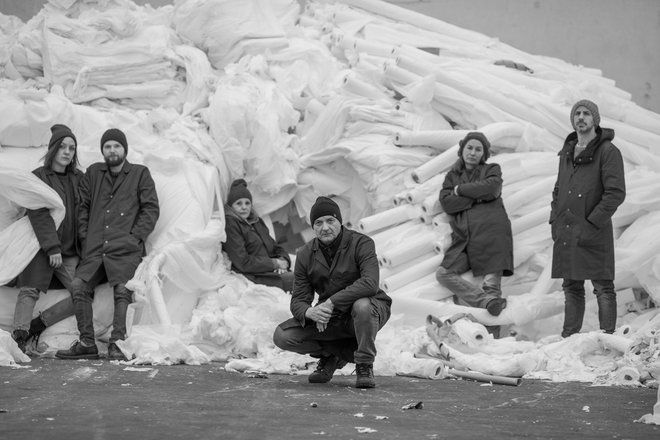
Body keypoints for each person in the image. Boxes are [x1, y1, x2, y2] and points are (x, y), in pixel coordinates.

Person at [55, 128, 159, 361]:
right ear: (103, 150)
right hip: (95, 247)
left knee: (122, 290)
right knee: (79, 286)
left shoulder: (140, 174)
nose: (112, 150)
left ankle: (117, 344)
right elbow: (82, 208)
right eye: (107, 147)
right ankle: (87, 343)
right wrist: (85, 238)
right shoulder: (93, 173)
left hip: (125, 248)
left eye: (116, 146)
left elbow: (150, 209)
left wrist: (135, 237)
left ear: (124, 149)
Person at [273, 196, 391, 388]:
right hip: (332, 317)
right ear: (313, 227)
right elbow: (298, 300)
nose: (325, 227)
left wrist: (331, 302)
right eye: (318, 223)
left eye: (330, 221)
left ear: (339, 221)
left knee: (362, 305)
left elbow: (370, 283)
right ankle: (330, 356)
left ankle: (364, 364)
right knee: (282, 336)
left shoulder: (361, 243)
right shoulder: (305, 253)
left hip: (368, 311)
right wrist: (310, 312)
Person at [550, 99, 625, 338]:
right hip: (566, 230)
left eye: (586, 114)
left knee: (603, 287)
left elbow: (615, 193)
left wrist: (592, 222)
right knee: (571, 286)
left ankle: (607, 339)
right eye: (577, 114)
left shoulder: (608, 151)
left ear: (595, 120)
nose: (581, 117)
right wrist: (554, 220)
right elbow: (558, 190)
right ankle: (569, 338)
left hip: (594, 230)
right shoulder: (567, 152)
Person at [11, 124, 83, 353]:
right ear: (53, 149)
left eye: (72, 148)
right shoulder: (38, 177)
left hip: (70, 250)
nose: (67, 152)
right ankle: (19, 336)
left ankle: (38, 325)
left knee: (82, 294)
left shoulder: (79, 179)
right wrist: (52, 248)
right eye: (62, 146)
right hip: (42, 246)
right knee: (29, 289)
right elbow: (38, 214)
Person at [435, 132, 513, 329]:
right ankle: (484, 302)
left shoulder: (491, 169)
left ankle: (492, 338)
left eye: (478, 149)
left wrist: (460, 191)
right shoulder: (452, 176)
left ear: (484, 153)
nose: (473, 152)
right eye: (469, 148)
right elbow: (447, 204)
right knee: (444, 273)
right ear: (462, 150)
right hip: (464, 237)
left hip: (491, 232)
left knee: (491, 286)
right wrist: (479, 195)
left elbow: (492, 189)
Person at [223, 179, 293, 292]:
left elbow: (275, 247)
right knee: (302, 281)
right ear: (231, 206)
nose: (244, 207)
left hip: (271, 271)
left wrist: (283, 260)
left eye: (247, 203)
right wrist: (273, 264)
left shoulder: (255, 221)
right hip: (256, 276)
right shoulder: (231, 225)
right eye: (238, 203)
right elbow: (242, 262)